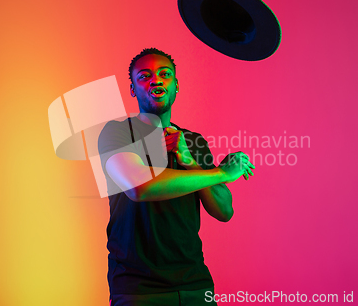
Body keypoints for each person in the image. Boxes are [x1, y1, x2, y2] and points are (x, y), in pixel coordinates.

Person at [98, 48, 254, 305]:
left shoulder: (194, 141)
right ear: (133, 89)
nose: (156, 80)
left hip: (196, 285)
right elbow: (140, 187)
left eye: (165, 74)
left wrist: (191, 161)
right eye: (144, 76)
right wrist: (220, 173)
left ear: (176, 85)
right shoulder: (117, 132)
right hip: (138, 289)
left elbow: (224, 211)